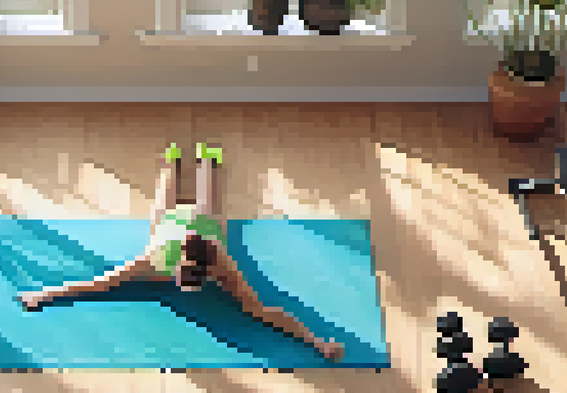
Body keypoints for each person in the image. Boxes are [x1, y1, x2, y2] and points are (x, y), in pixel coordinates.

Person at [17, 143, 345, 362]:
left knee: (209, 213)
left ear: (206, 271)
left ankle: (204, 160)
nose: (180, 286)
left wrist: (318, 342)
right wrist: (43, 295)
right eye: (182, 281)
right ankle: (175, 161)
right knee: (162, 215)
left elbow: (268, 312)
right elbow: (100, 283)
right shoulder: (156, 255)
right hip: (174, 226)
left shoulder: (220, 260)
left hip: (203, 225)